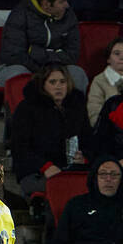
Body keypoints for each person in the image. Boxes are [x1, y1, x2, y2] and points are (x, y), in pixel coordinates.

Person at [11, 64, 91, 200]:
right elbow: (20, 148)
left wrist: (85, 157)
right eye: (52, 82)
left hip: (72, 169)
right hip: (36, 171)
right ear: (43, 85)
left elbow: (89, 140)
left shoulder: (77, 106)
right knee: (64, 187)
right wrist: (45, 166)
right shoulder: (26, 109)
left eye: (62, 82)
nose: (58, 86)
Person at [0, 0, 88, 93]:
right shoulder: (19, 15)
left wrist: (38, 54)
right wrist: (44, 70)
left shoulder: (68, 15)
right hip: (20, 66)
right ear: (46, 5)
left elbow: (72, 55)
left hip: (56, 68)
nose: (67, 5)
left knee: (77, 73)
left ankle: (71, 111)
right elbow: (15, 55)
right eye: (62, 1)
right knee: (17, 75)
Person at [87, 37, 123, 126]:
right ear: (108, 59)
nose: (122, 57)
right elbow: (94, 113)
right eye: (117, 54)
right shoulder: (99, 81)